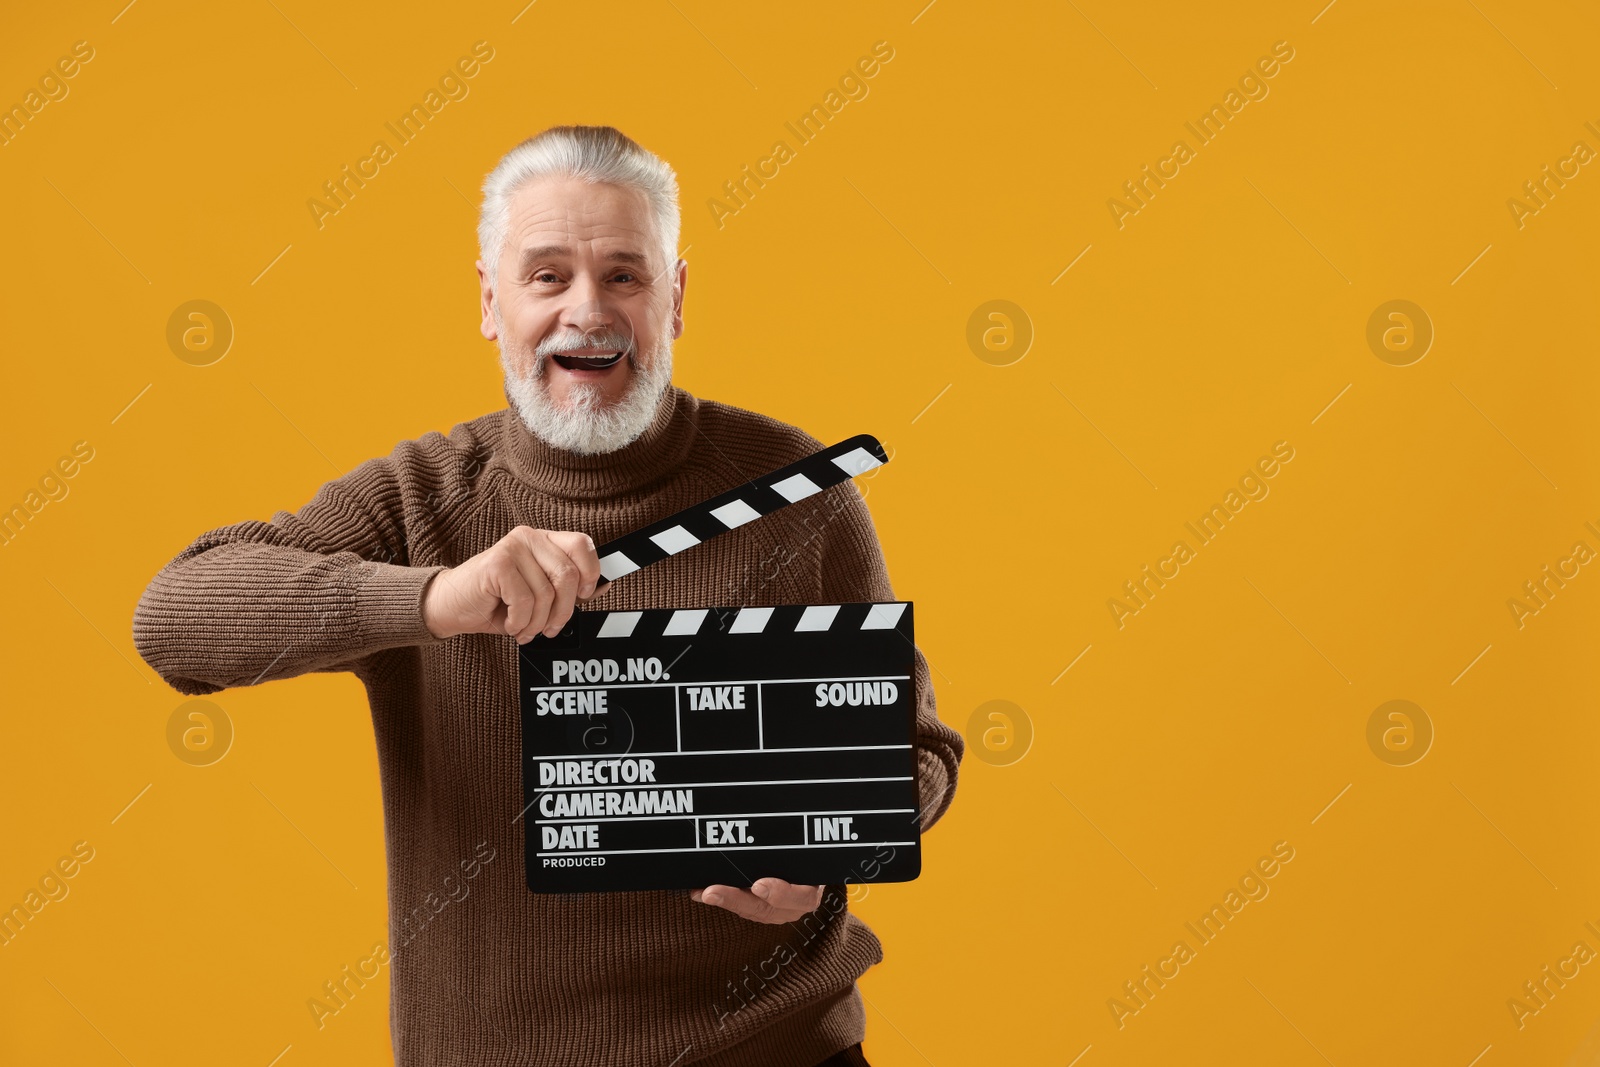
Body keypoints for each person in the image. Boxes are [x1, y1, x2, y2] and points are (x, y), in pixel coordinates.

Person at [133, 124, 962, 1067]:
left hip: (773, 1047)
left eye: (624, 275)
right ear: (489, 301)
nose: (587, 311)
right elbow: (175, 616)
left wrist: (835, 851)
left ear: (675, 298)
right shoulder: (423, 496)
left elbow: (915, 748)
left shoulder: (793, 485)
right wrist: (435, 597)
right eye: (547, 276)